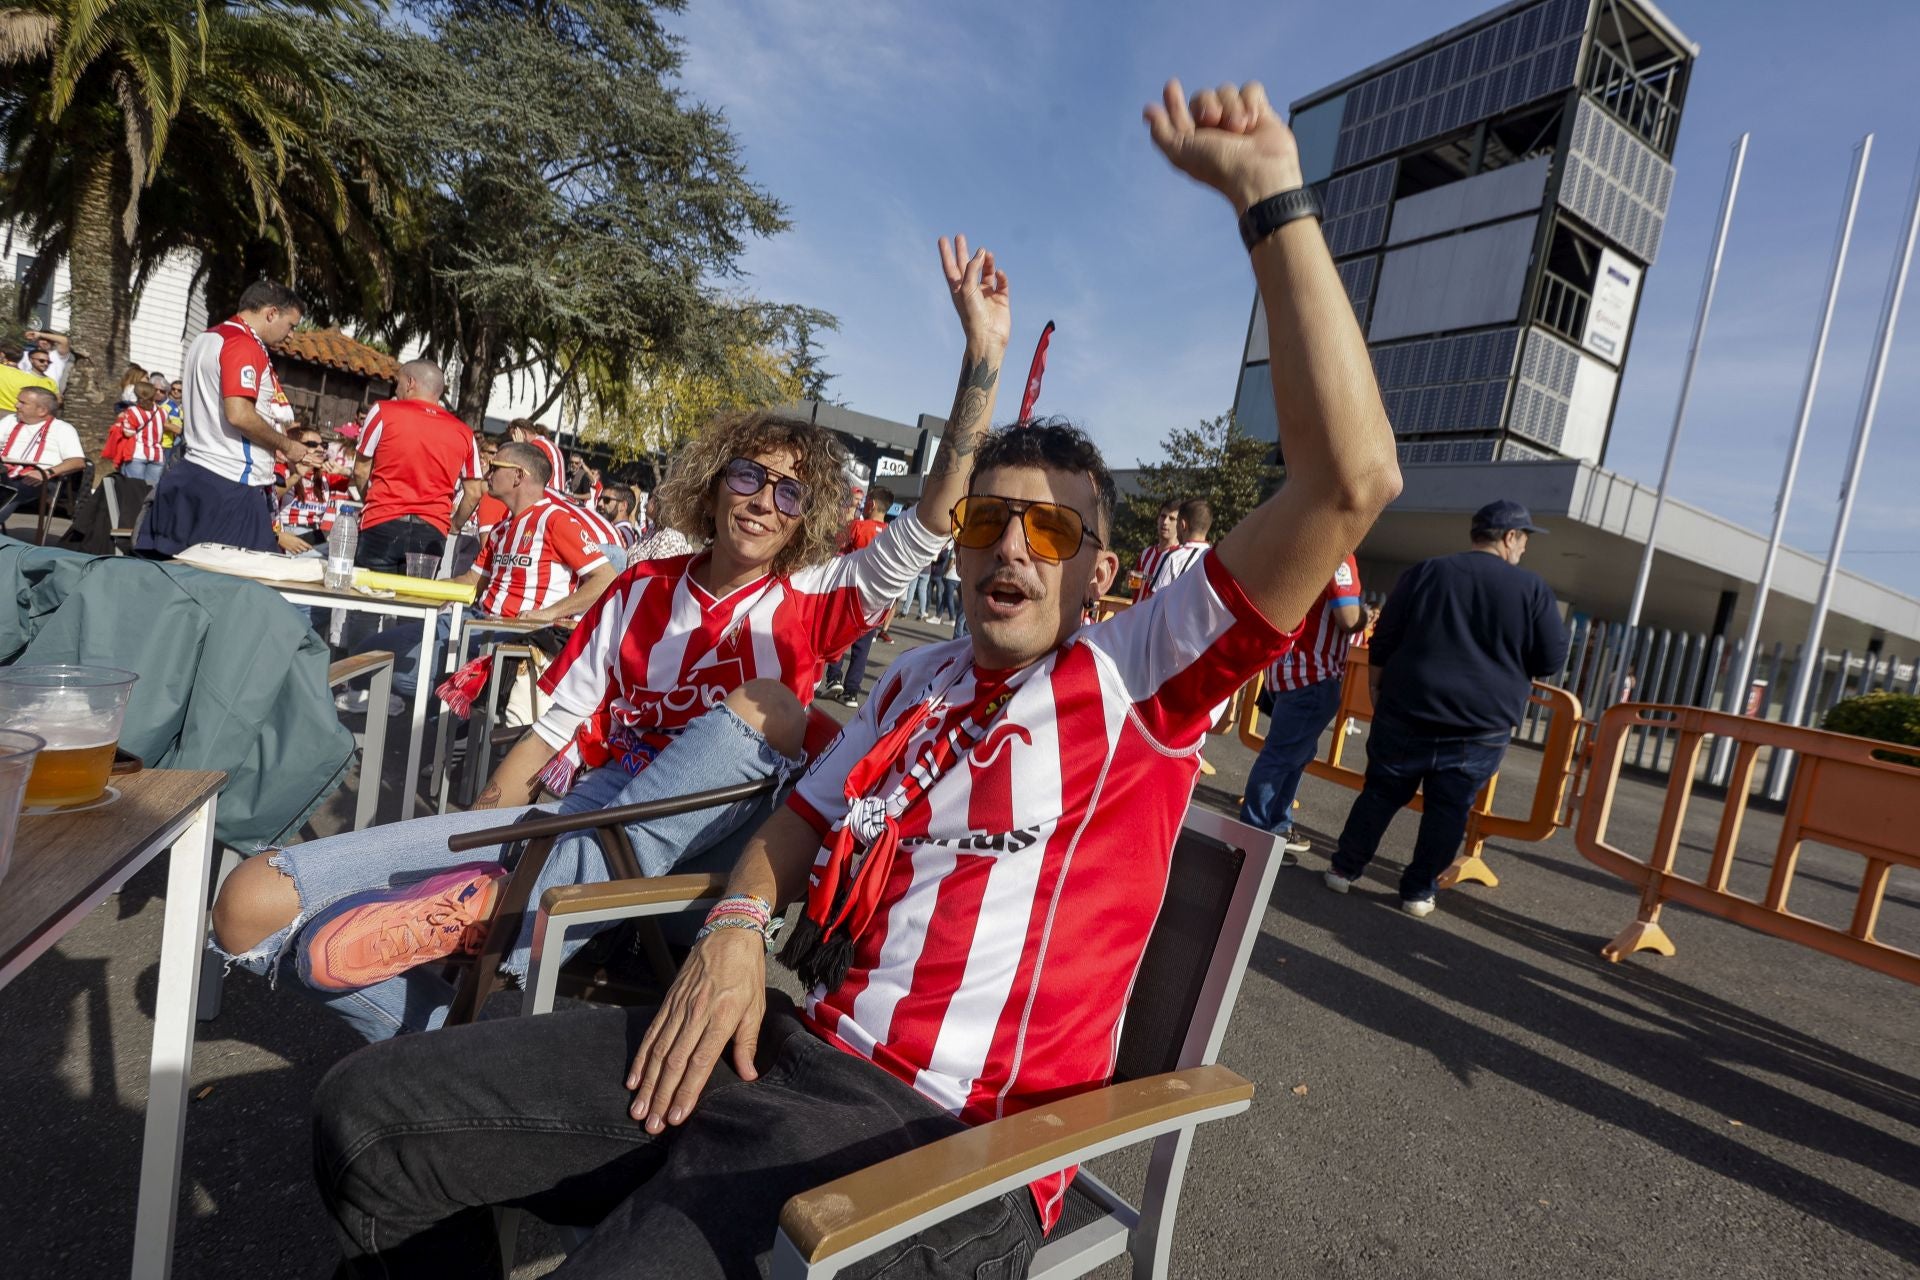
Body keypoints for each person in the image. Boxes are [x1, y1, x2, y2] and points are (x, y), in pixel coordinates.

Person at [305, 77, 1402, 1278]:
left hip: (932, 1136)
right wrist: (731, 923)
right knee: (366, 1122)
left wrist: (1269, 198)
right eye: (991, 520)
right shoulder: (915, 679)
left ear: (1104, 574)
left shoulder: (1140, 679)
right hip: (773, 1042)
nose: (1011, 548)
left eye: (1055, 532)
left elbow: (1349, 482)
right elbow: (801, 815)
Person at [209, 235, 1010, 1044]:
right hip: (582, 814)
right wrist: (488, 830)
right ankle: (457, 1044)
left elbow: (939, 514)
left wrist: (981, 356)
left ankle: (507, 913)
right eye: (748, 476)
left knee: (770, 706)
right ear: (713, 481)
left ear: (812, 515)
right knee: (252, 905)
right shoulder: (638, 592)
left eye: (791, 492)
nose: (765, 500)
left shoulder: (821, 596)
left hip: (705, 850)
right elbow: (549, 738)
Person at [1324, 499, 1570, 916]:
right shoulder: (1532, 590)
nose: (1525, 548)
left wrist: (1378, 688)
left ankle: (1344, 869)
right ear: (1509, 537)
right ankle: (1417, 891)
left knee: (1381, 793)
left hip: (1407, 707)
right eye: (1524, 538)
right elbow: (1550, 660)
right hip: (1481, 724)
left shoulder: (1426, 572)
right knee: (1449, 809)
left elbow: (1383, 638)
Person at [342, 441, 618, 715]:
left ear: (519, 476)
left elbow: (606, 579)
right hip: (473, 622)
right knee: (370, 652)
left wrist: (549, 613)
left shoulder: (555, 520)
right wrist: (403, 588)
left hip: (514, 636)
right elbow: (471, 581)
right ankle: (452, 717)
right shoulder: (501, 529)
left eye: (495, 467)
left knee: (406, 671)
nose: (487, 473)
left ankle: (456, 721)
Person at [135, 279, 309, 555]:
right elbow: (239, 414)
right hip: (231, 483)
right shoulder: (243, 344)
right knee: (243, 587)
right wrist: (287, 446)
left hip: (192, 471)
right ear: (271, 313)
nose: (291, 335)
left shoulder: (206, 338)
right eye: (291, 325)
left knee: (175, 574)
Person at [1239, 553, 1364, 862]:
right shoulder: (1339, 557)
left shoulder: (1299, 548)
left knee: (1290, 755)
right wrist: (1366, 617)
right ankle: (1253, 838)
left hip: (1286, 668)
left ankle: (1274, 829)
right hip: (1315, 673)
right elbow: (1348, 618)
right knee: (1281, 758)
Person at [352, 361, 484, 573]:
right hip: (432, 530)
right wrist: (455, 524)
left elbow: (360, 470)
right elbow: (474, 492)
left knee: (371, 599)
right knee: (417, 602)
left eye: (398, 383)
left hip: (382, 520)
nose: (396, 389)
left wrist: (369, 499)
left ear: (410, 383)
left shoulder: (382, 412)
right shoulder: (464, 432)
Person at [816, 485, 892, 708]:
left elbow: (836, 544)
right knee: (862, 647)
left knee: (838, 635)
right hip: (876, 598)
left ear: (873, 504)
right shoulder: (890, 532)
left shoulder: (858, 526)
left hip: (851, 592)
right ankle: (851, 692)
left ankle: (834, 678)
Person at [0, 386, 85, 525]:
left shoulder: (63, 429)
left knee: (11, 490)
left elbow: (77, 462)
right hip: (4, 471)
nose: (16, 405)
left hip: (39, 477)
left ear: (42, 410)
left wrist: (47, 473)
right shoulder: (11, 420)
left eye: (23, 403)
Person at [1140, 496, 1212, 598]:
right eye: (1163, 516)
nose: (1165, 522)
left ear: (1182, 525)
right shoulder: (1217, 559)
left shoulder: (1174, 558)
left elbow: (1154, 602)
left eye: (1174, 520)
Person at [107, 379, 170, 485]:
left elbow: (128, 433)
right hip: (157, 455)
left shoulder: (132, 411)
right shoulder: (163, 412)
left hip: (137, 453)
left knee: (133, 490)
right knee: (149, 491)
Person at [1128, 497, 1182, 596]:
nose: (1165, 522)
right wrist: (1130, 580)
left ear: (1179, 524)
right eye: (1163, 516)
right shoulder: (1146, 553)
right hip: (1138, 610)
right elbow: (1136, 590)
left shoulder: (1181, 558)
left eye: (1172, 518)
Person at [0, 347, 58, 414]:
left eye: (49, 362)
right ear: (31, 360)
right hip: (16, 413)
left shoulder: (49, 381)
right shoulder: (27, 376)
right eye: (41, 360)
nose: (45, 364)